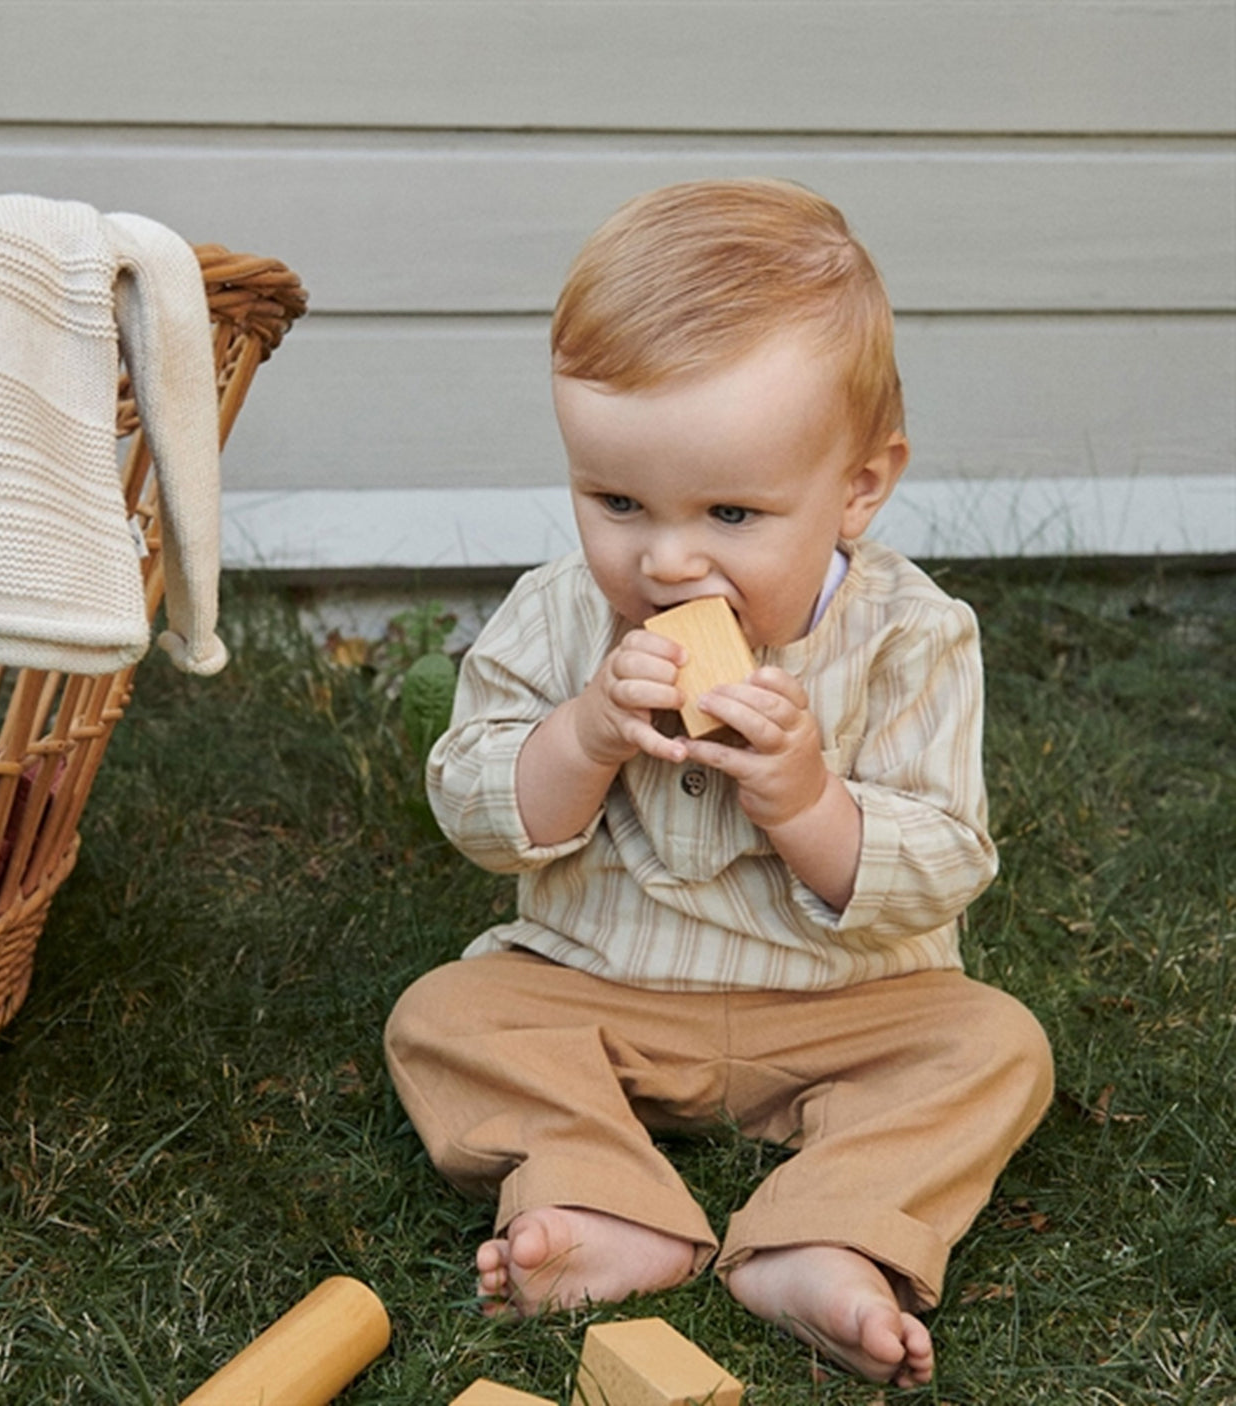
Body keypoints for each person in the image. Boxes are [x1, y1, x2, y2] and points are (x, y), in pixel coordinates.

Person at [384, 179, 1053, 1388]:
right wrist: (583, 732)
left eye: (731, 511)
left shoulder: (913, 636)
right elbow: (477, 807)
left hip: (843, 1009)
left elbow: (946, 854)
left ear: (858, 485)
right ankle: (606, 1202)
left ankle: (826, 1232)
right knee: (444, 1013)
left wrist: (806, 798)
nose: (664, 557)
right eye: (615, 501)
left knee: (994, 1043)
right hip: (603, 993)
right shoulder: (557, 613)